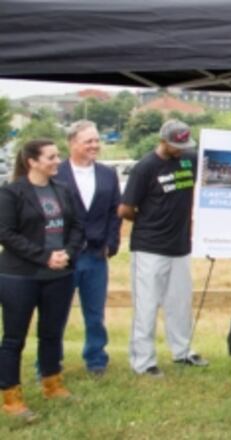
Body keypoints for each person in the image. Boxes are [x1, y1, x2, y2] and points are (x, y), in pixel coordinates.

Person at [0, 139, 84, 420]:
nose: (58, 160)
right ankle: (10, 398)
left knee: (51, 333)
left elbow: (77, 226)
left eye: (58, 155)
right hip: (20, 277)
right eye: (51, 157)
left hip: (59, 274)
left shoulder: (63, 190)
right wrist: (44, 256)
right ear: (32, 162)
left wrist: (67, 253)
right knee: (14, 338)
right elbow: (6, 233)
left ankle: (52, 384)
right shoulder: (11, 193)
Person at [118, 119, 208, 377]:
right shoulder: (145, 168)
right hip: (149, 247)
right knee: (146, 305)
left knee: (180, 303)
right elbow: (124, 209)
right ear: (162, 141)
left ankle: (182, 351)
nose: (181, 149)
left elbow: (216, 156)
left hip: (180, 245)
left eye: (185, 145)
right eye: (176, 145)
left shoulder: (189, 159)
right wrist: (148, 220)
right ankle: (143, 361)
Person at [53, 120, 121, 376]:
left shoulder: (107, 174)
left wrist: (111, 244)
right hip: (63, 256)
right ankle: (49, 362)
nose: (94, 145)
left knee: (95, 313)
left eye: (96, 140)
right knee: (55, 313)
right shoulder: (56, 173)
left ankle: (96, 359)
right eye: (88, 141)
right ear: (72, 143)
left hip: (95, 255)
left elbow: (115, 212)